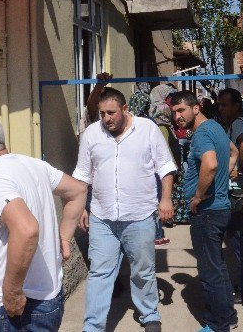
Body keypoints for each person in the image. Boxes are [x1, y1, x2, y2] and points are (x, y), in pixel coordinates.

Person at [0, 110, 87, 332]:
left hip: (22, 311)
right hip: (48, 301)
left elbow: (26, 229)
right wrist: (63, 240)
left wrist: (12, 292)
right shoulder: (33, 165)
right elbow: (78, 191)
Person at [73, 87, 177, 332]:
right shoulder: (91, 134)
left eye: (111, 113)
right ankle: (93, 326)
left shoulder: (147, 129)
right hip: (102, 216)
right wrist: (82, 207)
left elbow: (165, 166)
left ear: (125, 109)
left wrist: (166, 199)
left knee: (143, 270)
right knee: (99, 272)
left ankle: (149, 314)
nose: (106, 118)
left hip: (139, 215)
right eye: (102, 114)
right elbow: (82, 175)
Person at [170, 91, 239, 332]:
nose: (177, 116)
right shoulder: (217, 128)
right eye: (174, 111)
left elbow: (210, 164)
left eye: (182, 110)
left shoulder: (201, 135)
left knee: (209, 272)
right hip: (220, 209)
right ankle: (229, 316)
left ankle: (218, 325)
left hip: (207, 212)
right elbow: (234, 152)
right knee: (218, 266)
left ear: (196, 108)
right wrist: (229, 172)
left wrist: (198, 196)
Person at [218, 88, 243, 306]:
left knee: (241, 242)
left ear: (236, 106)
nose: (221, 109)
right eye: (219, 105)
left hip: (240, 193)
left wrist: (239, 169)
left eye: (224, 105)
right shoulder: (235, 123)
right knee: (239, 242)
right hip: (240, 192)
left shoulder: (239, 122)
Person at [148, 84, 180, 246]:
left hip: (161, 173)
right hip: (160, 174)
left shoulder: (162, 125)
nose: (171, 107)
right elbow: (164, 155)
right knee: (158, 202)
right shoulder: (160, 127)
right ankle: (157, 234)